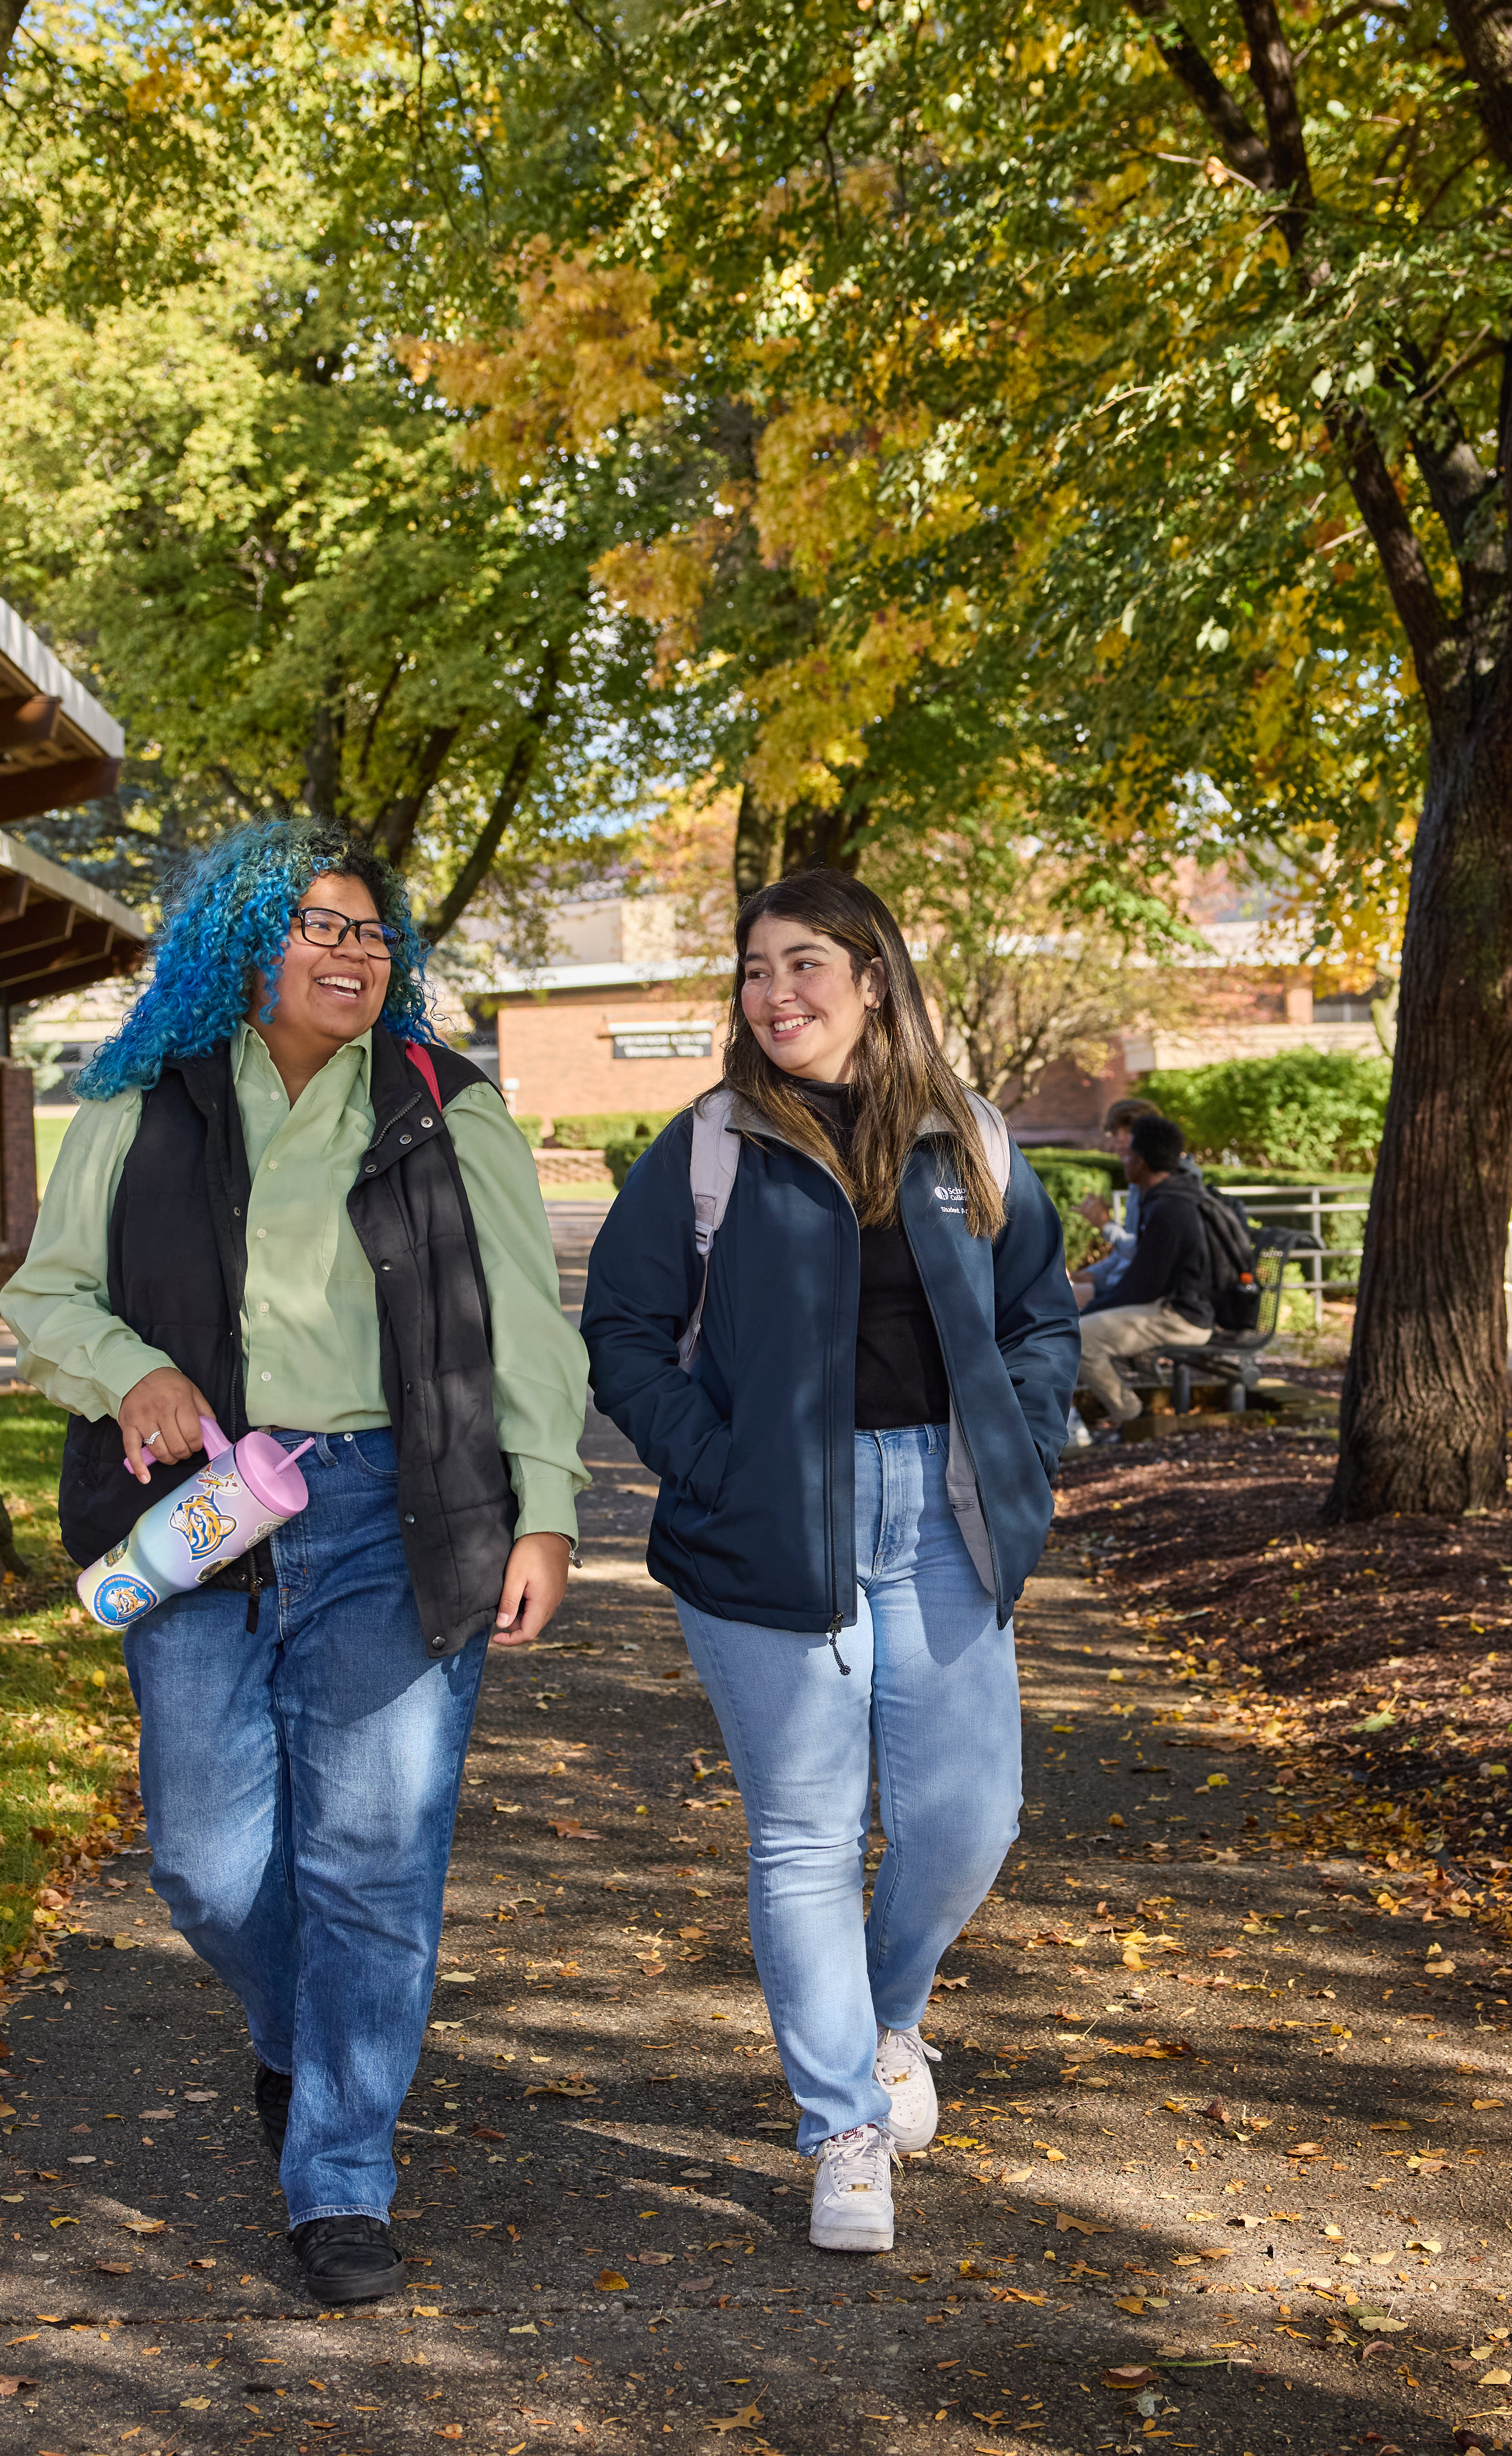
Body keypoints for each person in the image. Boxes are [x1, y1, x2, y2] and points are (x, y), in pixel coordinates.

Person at [0, 817, 588, 2310]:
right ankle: (302, 2039)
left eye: (373, 933)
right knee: (205, 1864)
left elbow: (526, 1323)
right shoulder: (145, 1102)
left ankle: (339, 2175)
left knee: (374, 1863)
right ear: (241, 944)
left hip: (399, 1506)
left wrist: (547, 1508)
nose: (354, 952)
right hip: (203, 1510)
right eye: (321, 927)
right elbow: (48, 1292)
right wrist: (128, 1370)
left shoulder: (450, 1105)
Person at [578, 869, 1081, 2255]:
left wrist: (1023, 1445)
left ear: (875, 980)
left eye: (805, 964)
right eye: (754, 971)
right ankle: (843, 2127)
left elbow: (1041, 1315)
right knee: (804, 1834)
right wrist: (714, 1458)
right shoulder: (712, 1144)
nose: (776, 992)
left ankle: (887, 2018)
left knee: (968, 1818)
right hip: (769, 1523)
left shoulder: (966, 1137)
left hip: (944, 1516)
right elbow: (621, 1326)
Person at [1074, 1112, 1220, 1427]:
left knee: (1083, 1338)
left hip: (1182, 1317)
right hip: (1172, 1308)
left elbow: (1144, 1285)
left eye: (1127, 1154)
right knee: (1082, 1326)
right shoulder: (1171, 1198)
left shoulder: (1169, 1209)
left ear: (1140, 1162)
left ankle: (1133, 1418)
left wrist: (1091, 1311)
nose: (1122, 1160)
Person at [1073, 1095, 1170, 1295]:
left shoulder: (1163, 1186)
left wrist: (1105, 1225)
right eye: (1116, 1131)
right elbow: (1123, 1256)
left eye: (1128, 1131)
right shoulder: (1138, 1182)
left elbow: (1141, 1253)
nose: (1120, 1139)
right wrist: (1084, 1276)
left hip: (1141, 1297)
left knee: (1053, 1310)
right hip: (1122, 1289)